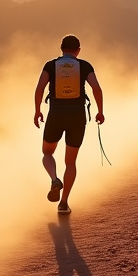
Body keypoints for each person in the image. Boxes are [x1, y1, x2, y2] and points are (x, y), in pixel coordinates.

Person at [33, 35, 104, 215]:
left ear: (61, 48)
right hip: (77, 116)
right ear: (78, 50)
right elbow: (96, 88)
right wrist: (100, 111)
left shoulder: (50, 65)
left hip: (56, 113)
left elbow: (40, 88)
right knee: (70, 162)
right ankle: (64, 203)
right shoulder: (85, 66)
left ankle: (54, 179)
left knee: (47, 152)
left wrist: (37, 111)